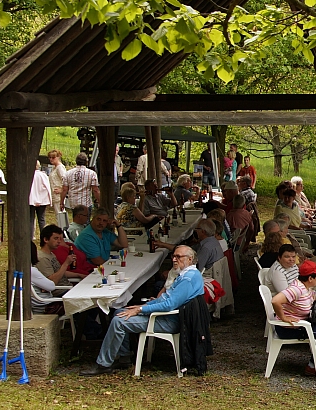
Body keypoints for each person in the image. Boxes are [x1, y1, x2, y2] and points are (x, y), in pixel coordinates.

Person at [80, 245, 204, 376]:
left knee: (119, 321)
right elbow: (165, 299)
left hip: (171, 320)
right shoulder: (185, 274)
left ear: (190, 259)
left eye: (178, 257)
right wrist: (143, 306)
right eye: (173, 256)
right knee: (119, 311)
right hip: (166, 316)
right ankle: (124, 358)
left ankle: (103, 364)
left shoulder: (188, 278)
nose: (174, 259)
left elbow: (168, 305)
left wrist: (140, 309)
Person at [155, 218, 223, 271]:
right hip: (209, 275)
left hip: (204, 279)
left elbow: (195, 269)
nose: (195, 231)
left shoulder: (205, 248)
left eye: (197, 229)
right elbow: (185, 249)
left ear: (203, 231)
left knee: (160, 283)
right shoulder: (212, 241)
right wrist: (163, 244)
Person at [30, 161, 52, 237]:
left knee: (31, 219)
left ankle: (30, 236)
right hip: (42, 200)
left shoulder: (29, 175)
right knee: (41, 219)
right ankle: (43, 236)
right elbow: (48, 188)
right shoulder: (43, 175)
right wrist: (49, 200)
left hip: (32, 200)